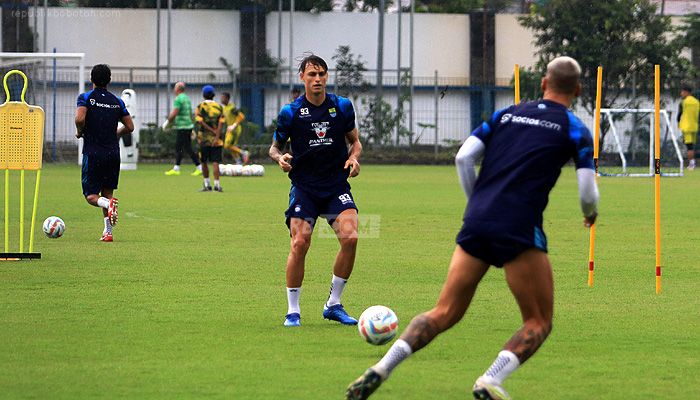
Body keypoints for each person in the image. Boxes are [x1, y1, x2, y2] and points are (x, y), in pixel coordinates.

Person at [346, 56, 599, 400]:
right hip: (519, 227)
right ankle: (490, 380)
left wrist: (476, 202)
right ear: (578, 90)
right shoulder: (574, 128)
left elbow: (464, 157)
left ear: (542, 83)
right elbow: (587, 189)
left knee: (443, 312)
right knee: (538, 321)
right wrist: (591, 214)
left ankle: (381, 368)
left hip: (478, 220)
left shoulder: (506, 114)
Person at [269, 54, 363, 328]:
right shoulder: (291, 112)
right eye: (312, 74)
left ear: (327, 76)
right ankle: (293, 311)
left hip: (335, 185)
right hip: (305, 187)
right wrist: (280, 159)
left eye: (322, 74)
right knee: (300, 243)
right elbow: (274, 147)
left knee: (351, 237)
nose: (318, 79)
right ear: (302, 78)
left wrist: (354, 158)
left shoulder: (342, 107)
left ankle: (333, 304)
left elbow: (355, 142)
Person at [75, 64, 134, 242]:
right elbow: (130, 127)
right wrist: (116, 133)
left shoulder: (86, 97)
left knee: (92, 196)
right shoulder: (117, 101)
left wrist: (80, 131)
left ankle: (108, 205)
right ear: (109, 80)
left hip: (93, 153)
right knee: (107, 192)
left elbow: (79, 118)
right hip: (112, 154)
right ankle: (108, 232)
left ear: (91, 79)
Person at [163, 82, 202, 176]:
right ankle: (177, 167)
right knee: (182, 147)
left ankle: (198, 166)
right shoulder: (187, 98)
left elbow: (175, 112)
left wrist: (167, 122)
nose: (174, 90)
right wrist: (191, 128)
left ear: (178, 89)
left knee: (184, 147)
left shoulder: (178, 99)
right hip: (187, 125)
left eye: (175, 88)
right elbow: (188, 113)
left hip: (183, 126)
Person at [195, 85, 225, 192]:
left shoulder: (200, 107)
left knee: (204, 161)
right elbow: (221, 123)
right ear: (213, 95)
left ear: (203, 95)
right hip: (217, 140)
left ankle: (207, 184)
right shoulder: (219, 107)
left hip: (203, 139)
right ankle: (217, 185)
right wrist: (216, 136)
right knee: (215, 161)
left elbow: (200, 121)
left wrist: (211, 131)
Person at [220, 92, 249, 165]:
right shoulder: (224, 108)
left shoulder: (232, 108)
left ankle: (243, 153)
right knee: (230, 146)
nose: (221, 99)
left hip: (235, 130)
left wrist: (234, 125)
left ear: (227, 98)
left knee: (227, 145)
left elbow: (241, 116)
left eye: (223, 98)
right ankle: (238, 161)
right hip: (229, 130)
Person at [677, 84, 699, 170]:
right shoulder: (696, 102)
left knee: (689, 146)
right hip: (694, 125)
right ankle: (692, 163)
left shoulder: (684, 102)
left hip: (686, 126)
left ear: (686, 92)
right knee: (692, 145)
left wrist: (678, 122)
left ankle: (692, 164)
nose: (681, 93)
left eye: (682, 92)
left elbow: (679, 114)